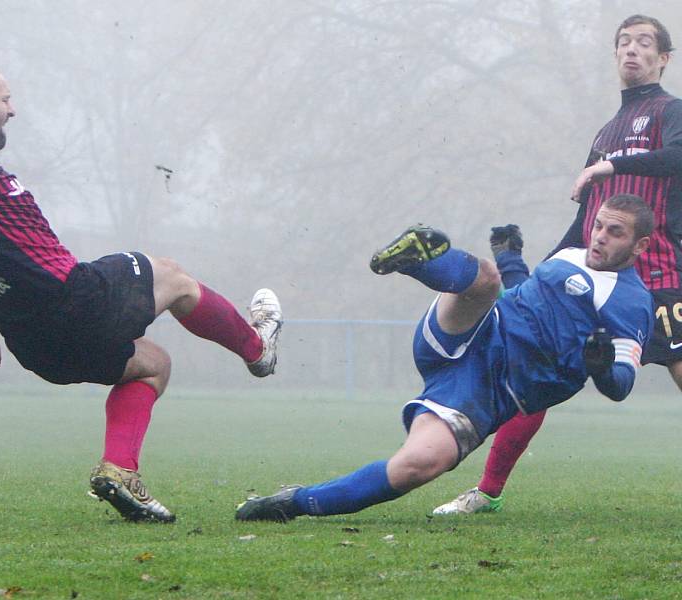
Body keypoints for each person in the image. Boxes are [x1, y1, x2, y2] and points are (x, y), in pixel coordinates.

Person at [0, 64, 283, 523]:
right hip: (72, 301)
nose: (12, 110)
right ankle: (258, 349)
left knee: (152, 366)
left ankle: (119, 472)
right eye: (5, 99)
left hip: (37, 347)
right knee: (172, 277)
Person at [236, 195, 652, 522]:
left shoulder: (633, 304)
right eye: (598, 224)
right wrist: (510, 260)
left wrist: (600, 367)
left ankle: (294, 502)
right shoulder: (568, 256)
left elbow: (621, 385)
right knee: (487, 279)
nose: (599, 236)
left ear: (640, 245)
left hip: (484, 395)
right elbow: (525, 295)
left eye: (614, 232)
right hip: (473, 332)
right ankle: (417, 261)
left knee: (418, 465)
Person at [434, 13, 682, 515]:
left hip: (658, 274)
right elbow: (586, 224)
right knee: (540, 375)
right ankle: (487, 492)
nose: (631, 50)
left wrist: (611, 166)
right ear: (615, 55)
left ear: (664, 58)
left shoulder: (670, 111)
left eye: (644, 43)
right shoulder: (606, 132)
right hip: (592, 283)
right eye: (623, 43)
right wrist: (530, 275)